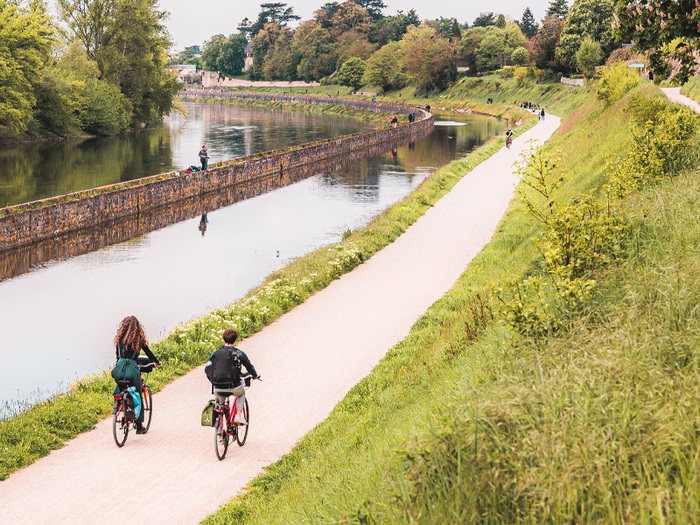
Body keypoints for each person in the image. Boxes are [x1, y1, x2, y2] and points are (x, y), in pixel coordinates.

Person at [112, 316, 161, 434]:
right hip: (132, 369)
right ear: (137, 328)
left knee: (119, 387)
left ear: (123, 327)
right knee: (138, 393)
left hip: (118, 369)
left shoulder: (119, 340)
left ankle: (118, 404)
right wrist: (156, 362)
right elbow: (148, 353)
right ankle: (139, 426)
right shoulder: (138, 340)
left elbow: (118, 358)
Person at [206, 329, 259, 425]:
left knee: (219, 409)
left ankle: (219, 434)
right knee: (241, 393)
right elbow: (249, 367)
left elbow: (207, 369)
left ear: (223, 339)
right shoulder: (239, 353)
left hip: (218, 388)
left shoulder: (215, 353)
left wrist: (213, 381)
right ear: (235, 340)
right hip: (234, 386)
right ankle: (238, 415)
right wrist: (255, 375)